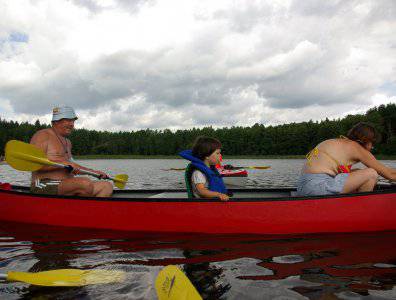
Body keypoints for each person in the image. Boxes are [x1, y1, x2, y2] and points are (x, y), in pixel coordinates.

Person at [30, 106, 113, 197]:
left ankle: (86, 210)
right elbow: (34, 165)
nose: (72, 124)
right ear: (56, 121)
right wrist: (63, 164)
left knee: (106, 186)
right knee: (85, 184)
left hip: (67, 185)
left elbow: (74, 167)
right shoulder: (42, 135)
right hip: (42, 184)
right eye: (68, 120)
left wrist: (94, 172)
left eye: (73, 121)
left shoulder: (68, 142)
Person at [297, 122, 396, 196]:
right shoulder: (356, 147)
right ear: (367, 140)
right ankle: (361, 212)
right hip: (317, 186)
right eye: (372, 144)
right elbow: (390, 174)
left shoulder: (338, 142)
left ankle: (351, 208)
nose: (372, 147)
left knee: (357, 172)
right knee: (371, 173)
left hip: (303, 187)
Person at [179, 136, 230, 201]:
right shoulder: (198, 173)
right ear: (207, 156)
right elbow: (201, 191)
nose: (220, 155)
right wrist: (218, 195)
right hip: (202, 205)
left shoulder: (211, 170)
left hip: (213, 204)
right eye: (217, 153)